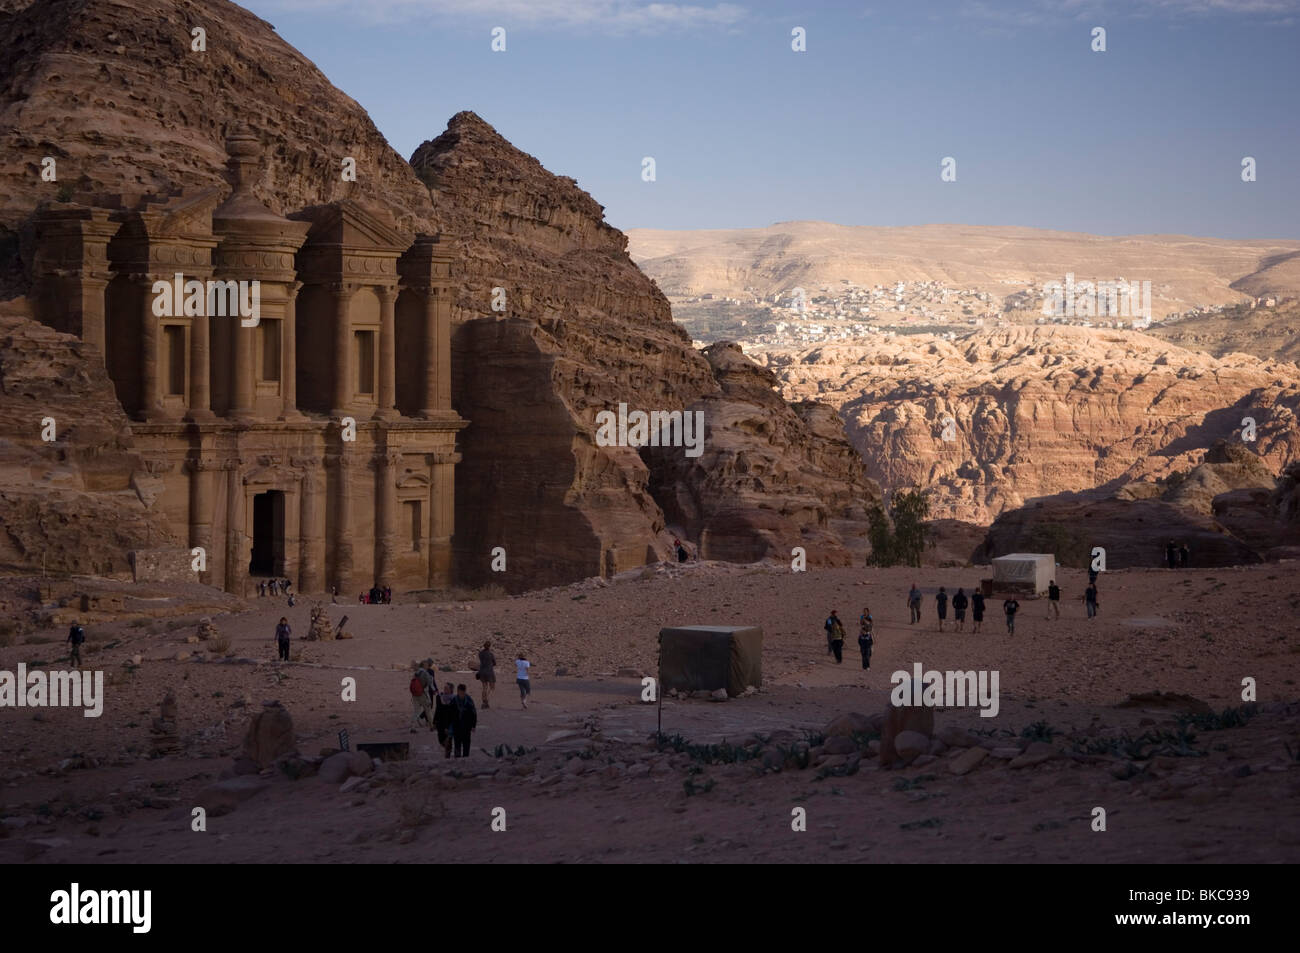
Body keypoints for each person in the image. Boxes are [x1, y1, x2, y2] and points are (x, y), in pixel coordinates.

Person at [452, 684, 478, 757]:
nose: (461, 694)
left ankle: (465, 760)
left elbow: (474, 713)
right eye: (460, 692)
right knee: (457, 745)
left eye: (462, 693)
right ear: (458, 691)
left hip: (466, 727)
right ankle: (457, 760)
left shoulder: (469, 700)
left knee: (466, 745)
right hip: (457, 726)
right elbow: (450, 714)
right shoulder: (454, 700)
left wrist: (473, 725)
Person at [433, 682, 457, 757]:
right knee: (441, 740)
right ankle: (447, 749)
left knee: (449, 739)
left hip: (450, 722)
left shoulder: (454, 699)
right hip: (440, 722)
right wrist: (434, 722)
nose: (445, 689)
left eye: (447, 688)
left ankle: (447, 755)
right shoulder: (439, 697)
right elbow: (437, 710)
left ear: (451, 690)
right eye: (445, 688)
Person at [408, 662, 433, 734]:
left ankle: (412, 727)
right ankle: (432, 726)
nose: (428, 666)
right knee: (428, 710)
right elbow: (429, 682)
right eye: (427, 665)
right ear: (424, 665)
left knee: (416, 711)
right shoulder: (425, 673)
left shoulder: (416, 673)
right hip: (423, 694)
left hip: (415, 695)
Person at [476, 640, 497, 709]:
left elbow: (481, 661)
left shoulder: (480, 654)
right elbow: (494, 663)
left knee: (484, 687)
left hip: (482, 671)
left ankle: (484, 701)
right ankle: (486, 700)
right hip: (489, 672)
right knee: (492, 687)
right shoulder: (491, 654)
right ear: (489, 646)